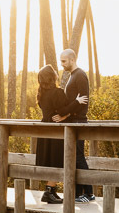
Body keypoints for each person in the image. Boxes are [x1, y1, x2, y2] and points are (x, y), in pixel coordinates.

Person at [58, 48, 95, 203]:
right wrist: (66, 114)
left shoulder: (80, 76)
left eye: (64, 61)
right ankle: (78, 193)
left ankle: (88, 193)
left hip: (79, 121)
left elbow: (83, 101)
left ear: (72, 60)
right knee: (73, 157)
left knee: (78, 156)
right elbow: (75, 101)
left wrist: (67, 113)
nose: (62, 64)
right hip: (72, 121)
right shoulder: (72, 76)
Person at [34, 65, 67, 204]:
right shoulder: (57, 93)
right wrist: (67, 115)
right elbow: (64, 110)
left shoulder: (41, 94)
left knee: (51, 159)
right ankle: (48, 192)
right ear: (52, 77)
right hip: (55, 129)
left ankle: (52, 191)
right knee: (56, 159)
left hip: (45, 128)